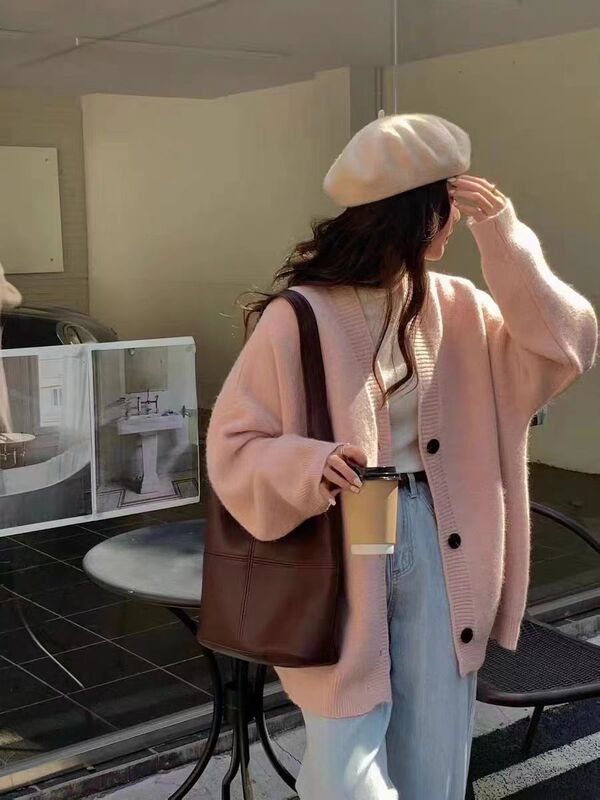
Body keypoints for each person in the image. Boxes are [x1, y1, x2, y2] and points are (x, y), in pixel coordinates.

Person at [205, 114, 598, 799]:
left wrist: (505, 239)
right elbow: (234, 445)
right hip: (344, 526)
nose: (457, 221)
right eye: (449, 204)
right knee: (344, 747)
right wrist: (306, 464)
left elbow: (565, 348)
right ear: (415, 215)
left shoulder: (462, 306)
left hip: (445, 531)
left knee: (435, 740)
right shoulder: (300, 314)